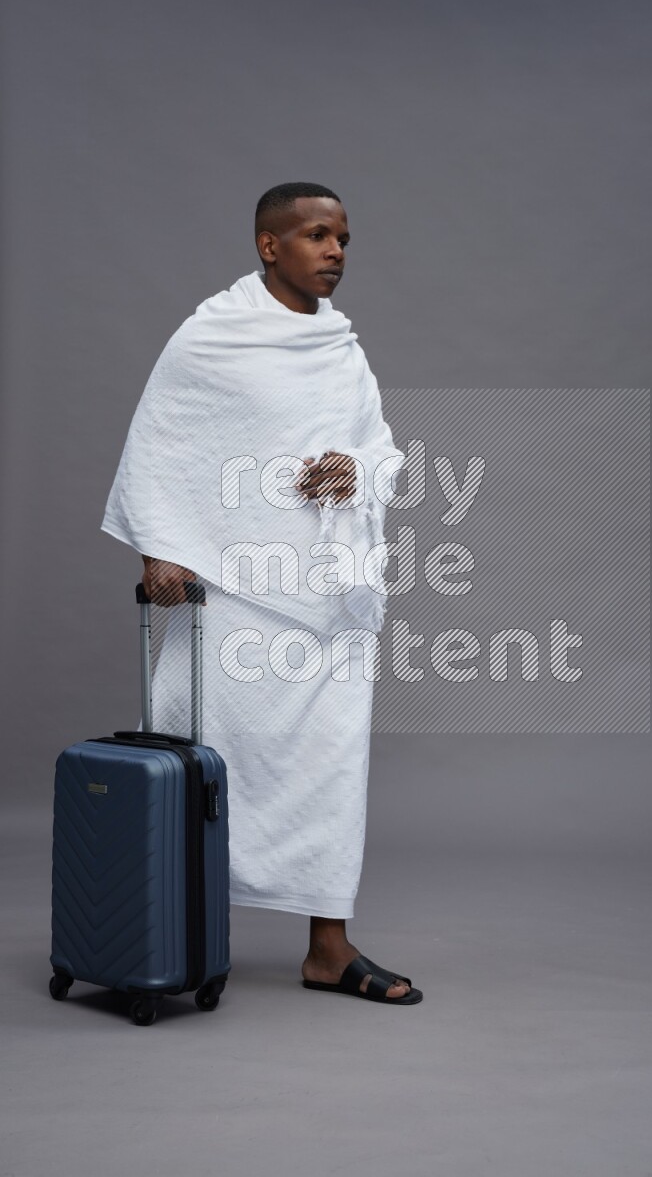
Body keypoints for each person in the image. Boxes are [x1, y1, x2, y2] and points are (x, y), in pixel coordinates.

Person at [102, 182, 422, 1004]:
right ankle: (162, 925)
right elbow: (163, 437)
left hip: (325, 593)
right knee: (200, 749)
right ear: (269, 245)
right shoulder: (215, 333)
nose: (336, 252)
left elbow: (380, 448)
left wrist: (357, 470)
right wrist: (157, 546)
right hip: (236, 589)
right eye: (318, 235)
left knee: (330, 763)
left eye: (345, 237)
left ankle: (328, 946)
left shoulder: (342, 346)